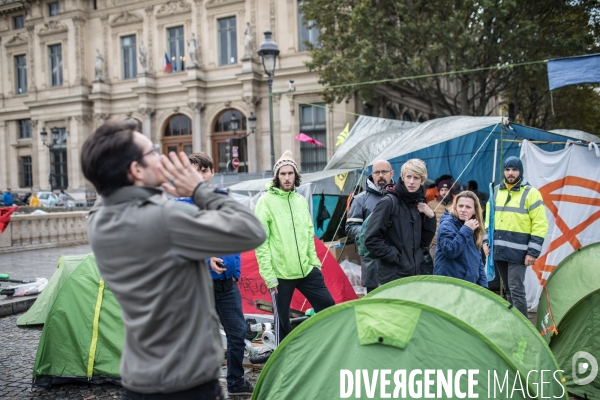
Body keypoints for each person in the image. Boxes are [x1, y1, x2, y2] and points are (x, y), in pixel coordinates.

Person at [81, 120, 266, 399]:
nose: (163, 156)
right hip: (186, 383)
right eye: (153, 151)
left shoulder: (100, 218)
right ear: (136, 169)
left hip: (140, 376)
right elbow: (252, 230)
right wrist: (199, 190)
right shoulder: (164, 219)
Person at [176, 152, 253, 396]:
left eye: (204, 170)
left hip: (227, 285)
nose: (200, 175)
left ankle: (235, 382)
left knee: (238, 334)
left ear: (212, 173)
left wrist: (236, 271)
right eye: (194, 171)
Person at [255, 150, 335, 344]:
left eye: (290, 173)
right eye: (283, 174)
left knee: (328, 306)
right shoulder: (265, 201)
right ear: (277, 177)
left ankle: (322, 345)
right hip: (281, 274)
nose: (287, 177)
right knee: (282, 322)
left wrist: (315, 263)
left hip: (307, 270)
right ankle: (283, 361)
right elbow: (261, 241)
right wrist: (269, 275)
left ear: (296, 176)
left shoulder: (300, 200)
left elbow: (308, 234)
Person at [483, 156, 548, 317]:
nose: (510, 173)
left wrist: (532, 252)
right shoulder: (496, 191)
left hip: (519, 251)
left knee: (515, 288)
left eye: (514, 169)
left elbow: (540, 224)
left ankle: (524, 330)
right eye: (507, 169)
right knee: (507, 289)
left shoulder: (531, 193)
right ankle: (514, 323)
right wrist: (486, 241)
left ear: (521, 171)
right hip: (499, 250)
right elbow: (488, 220)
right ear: (503, 171)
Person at [365, 159, 437, 285]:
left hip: (415, 275)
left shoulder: (419, 203)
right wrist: (397, 257)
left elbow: (424, 242)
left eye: (416, 178)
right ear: (402, 177)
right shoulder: (389, 202)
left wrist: (431, 217)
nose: (411, 182)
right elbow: (371, 240)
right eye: (408, 176)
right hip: (393, 276)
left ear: (422, 181)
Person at [345, 160, 395, 293]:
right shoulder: (360, 199)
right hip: (373, 263)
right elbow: (350, 227)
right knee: (375, 306)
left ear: (392, 173)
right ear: (372, 175)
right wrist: (370, 231)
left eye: (384, 172)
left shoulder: (400, 197)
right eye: (377, 172)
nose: (380, 175)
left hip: (396, 262)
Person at [434, 191, 487, 287]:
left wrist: (484, 289)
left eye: (468, 207)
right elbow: (450, 251)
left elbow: (478, 263)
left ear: (475, 210)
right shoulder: (447, 225)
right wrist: (466, 230)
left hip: (468, 287)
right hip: (448, 286)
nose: (463, 210)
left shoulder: (473, 227)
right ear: (455, 207)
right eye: (460, 206)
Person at [427, 179, 454, 263]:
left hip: (451, 242)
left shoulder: (456, 204)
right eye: (441, 190)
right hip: (435, 242)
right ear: (438, 191)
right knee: (437, 266)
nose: (444, 192)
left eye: (446, 190)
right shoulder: (431, 204)